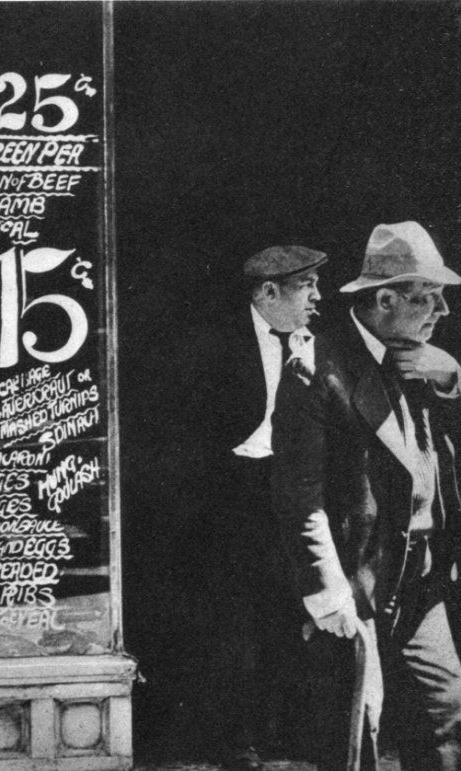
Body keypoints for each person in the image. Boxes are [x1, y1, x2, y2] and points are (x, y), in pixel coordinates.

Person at [272, 220, 461, 770]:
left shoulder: (430, 360)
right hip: (356, 581)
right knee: (355, 736)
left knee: (450, 727)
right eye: (427, 297)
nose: (443, 312)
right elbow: (300, 496)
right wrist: (326, 589)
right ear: (385, 299)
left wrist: (455, 379)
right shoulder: (317, 369)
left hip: (421, 579)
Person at [174, 245, 325, 769]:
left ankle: (287, 733)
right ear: (268, 293)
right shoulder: (216, 344)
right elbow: (186, 428)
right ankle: (236, 740)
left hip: (289, 489)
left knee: (292, 608)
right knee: (233, 616)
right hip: (229, 493)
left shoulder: (310, 344)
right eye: (307, 286)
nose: (317, 298)